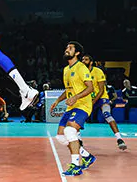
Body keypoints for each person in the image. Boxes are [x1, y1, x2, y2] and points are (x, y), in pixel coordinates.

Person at [50, 42, 95, 176]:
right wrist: (58, 100)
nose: (66, 50)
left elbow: (90, 88)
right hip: (71, 106)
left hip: (83, 105)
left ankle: (76, 165)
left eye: (70, 48)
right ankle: (86, 156)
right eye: (66, 48)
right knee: (60, 137)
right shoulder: (66, 69)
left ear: (77, 53)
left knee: (69, 131)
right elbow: (68, 90)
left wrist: (76, 97)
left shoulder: (81, 68)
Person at [82, 55, 126, 150]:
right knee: (80, 116)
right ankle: (78, 140)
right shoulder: (81, 73)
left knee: (107, 114)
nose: (83, 61)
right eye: (82, 59)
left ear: (91, 62)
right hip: (89, 99)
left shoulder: (98, 71)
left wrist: (93, 102)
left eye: (86, 59)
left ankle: (119, 139)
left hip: (101, 97)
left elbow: (101, 90)